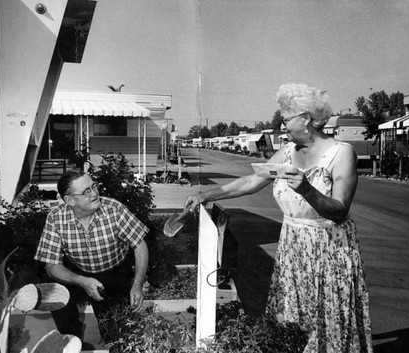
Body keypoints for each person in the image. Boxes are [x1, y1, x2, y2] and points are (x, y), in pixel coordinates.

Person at [185, 83, 373, 352]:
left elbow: (340, 209)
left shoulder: (341, 153)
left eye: (286, 119)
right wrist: (208, 194)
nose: (282, 124)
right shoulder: (287, 152)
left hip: (328, 250)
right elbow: (253, 180)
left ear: (306, 118)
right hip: (293, 247)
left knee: (325, 320)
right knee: (294, 322)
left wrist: (306, 188)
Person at [34, 170, 149, 341]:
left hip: (114, 273)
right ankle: (72, 339)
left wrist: (137, 284)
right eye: (86, 191)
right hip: (78, 272)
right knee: (56, 292)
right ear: (69, 200)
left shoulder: (114, 209)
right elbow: (51, 266)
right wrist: (82, 281)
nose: (95, 193)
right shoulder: (55, 219)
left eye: (94, 186)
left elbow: (139, 244)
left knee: (115, 334)